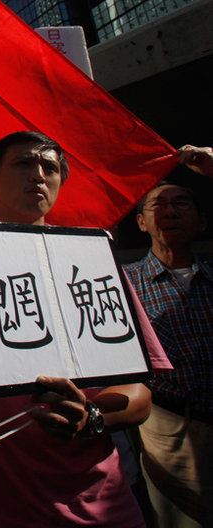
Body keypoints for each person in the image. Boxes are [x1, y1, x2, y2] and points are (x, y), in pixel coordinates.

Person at [0, 131, 172, 528]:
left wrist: (91, 417)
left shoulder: (93, 264)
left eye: (50, 168)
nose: (39, 176)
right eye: (24, 164)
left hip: (100, 507)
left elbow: (139, 393)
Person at [124, 144, 213, 527]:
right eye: (158, 204)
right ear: (141, 222)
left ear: (202, 222)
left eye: (182, 204)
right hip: (167, 426)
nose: (170, 211)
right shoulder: (123, 284)